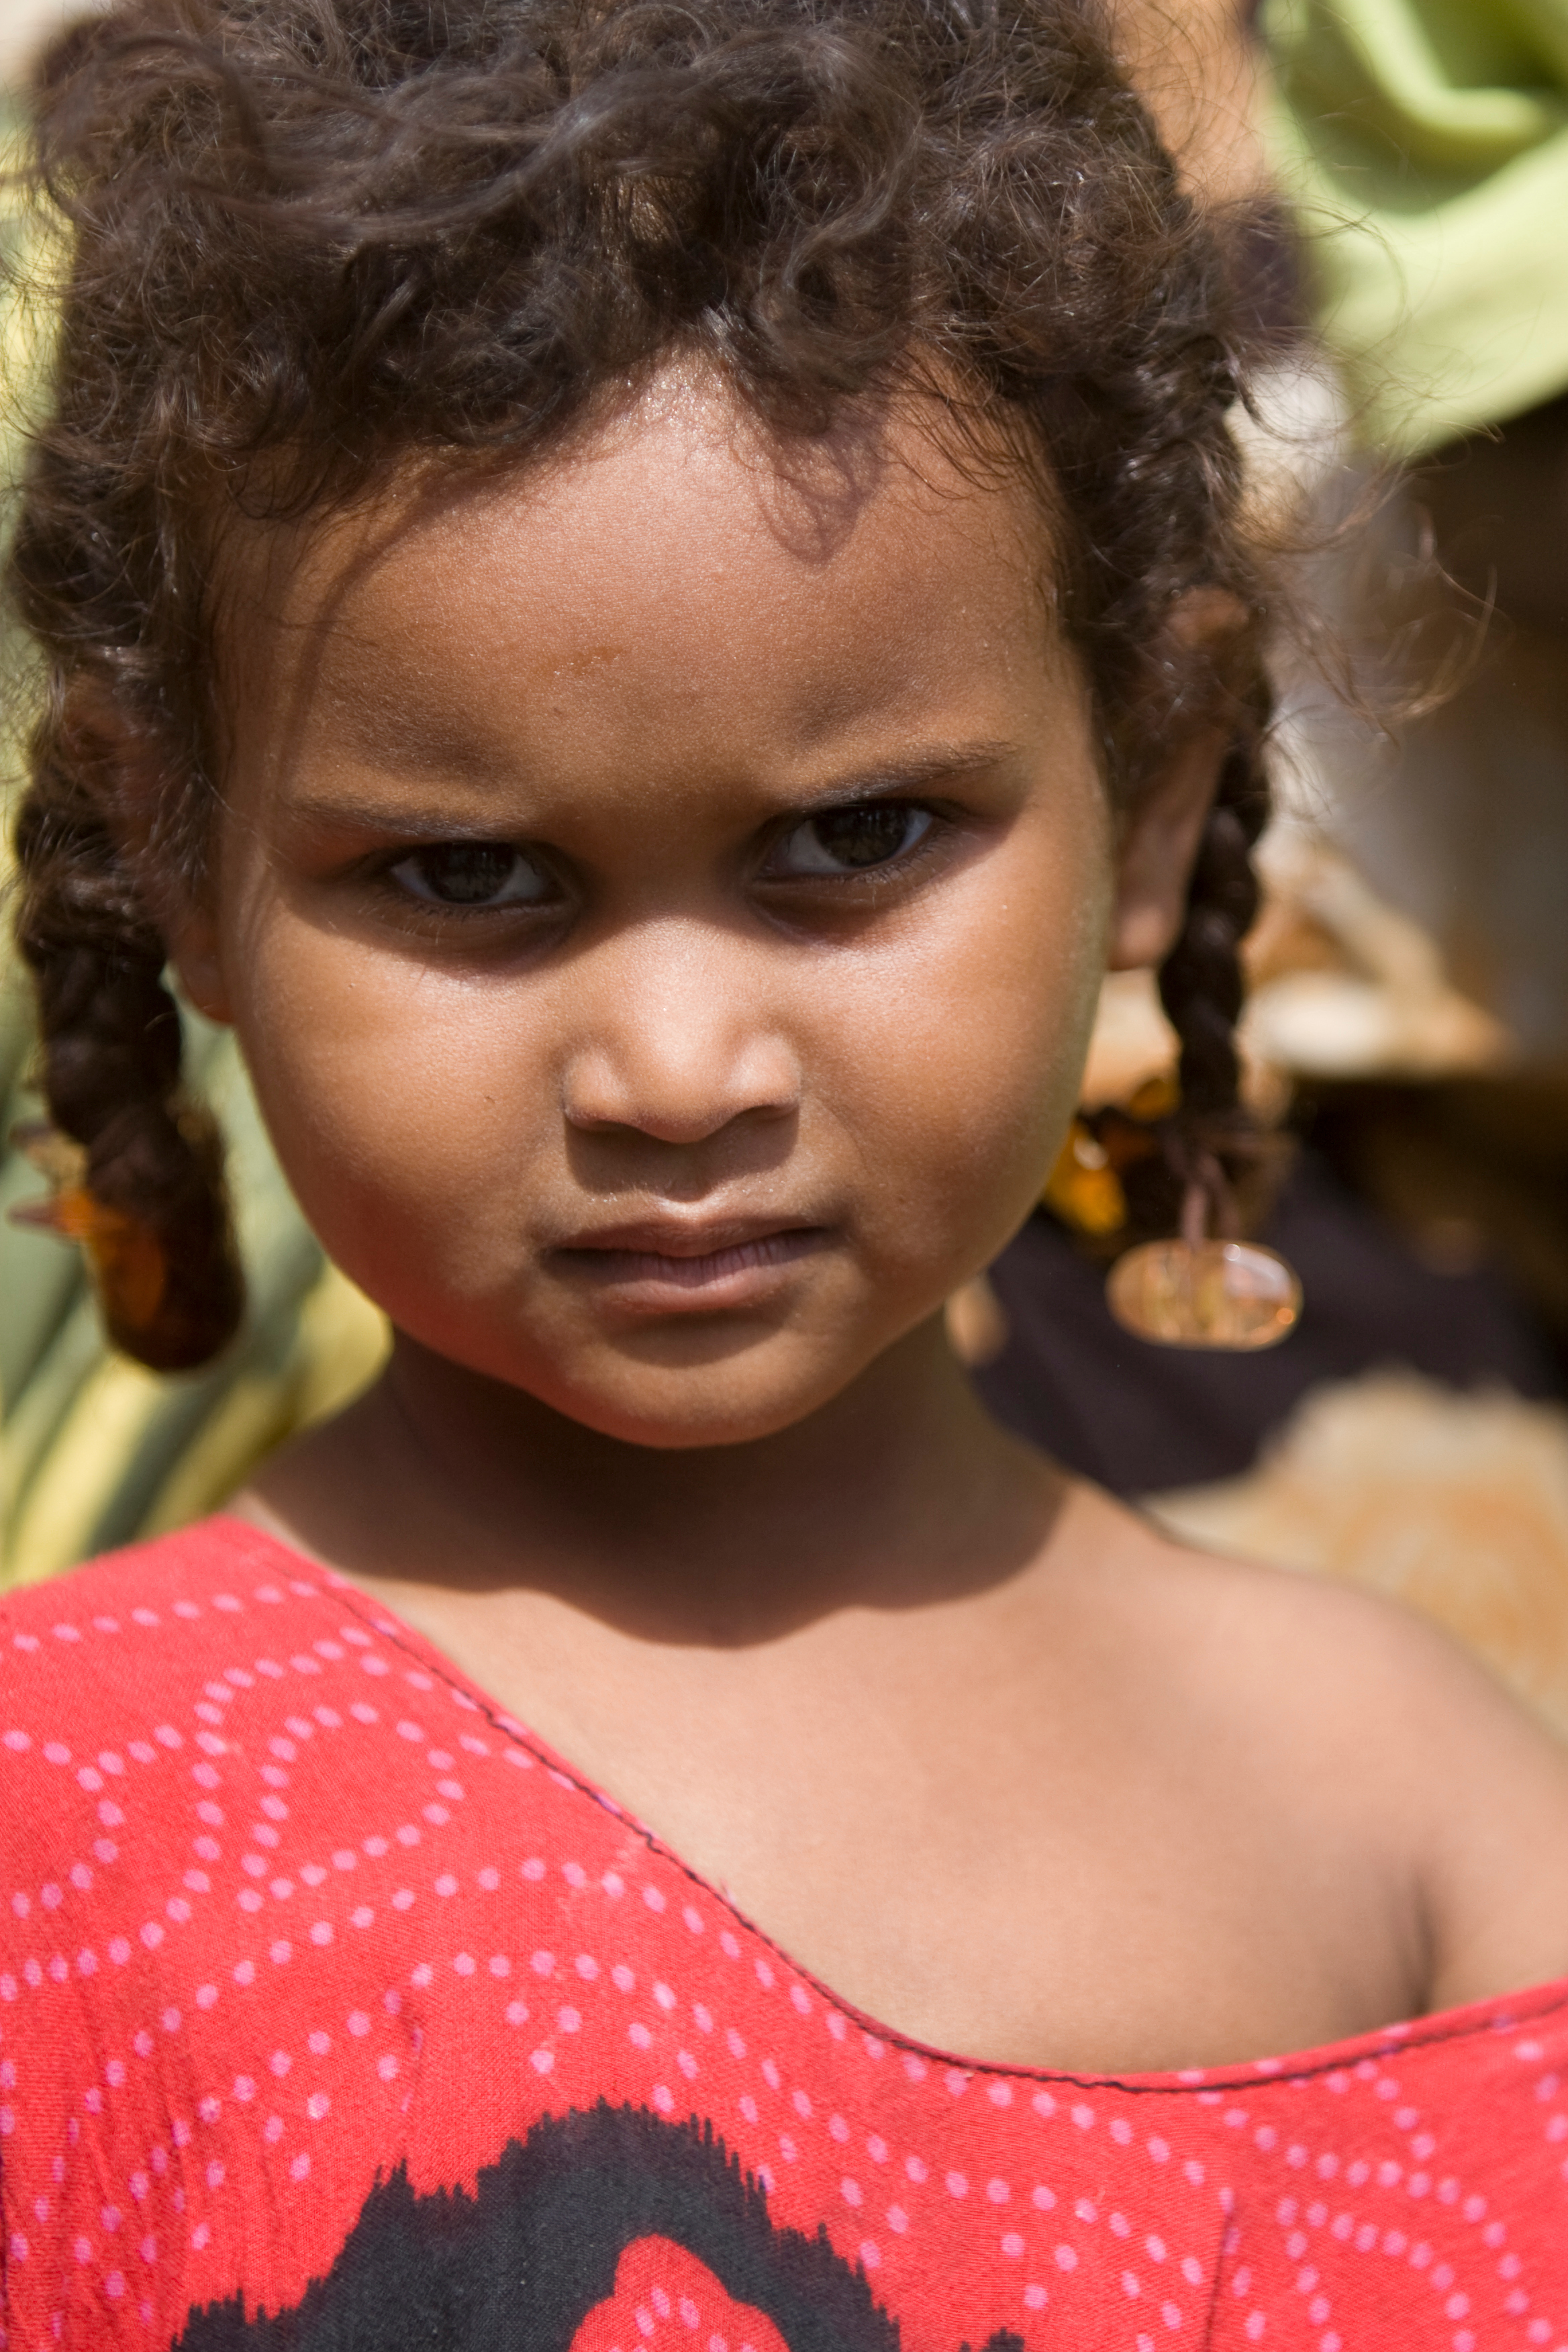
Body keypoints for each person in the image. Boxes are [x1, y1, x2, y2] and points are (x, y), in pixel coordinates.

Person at [3, 1, 1567, 2344]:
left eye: (854, 841)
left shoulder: (1421, 1811)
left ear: (1150, 799)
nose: (673, 1067)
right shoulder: (66, 1824)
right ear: (182, 862)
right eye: (464, 879)